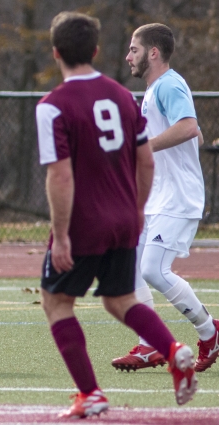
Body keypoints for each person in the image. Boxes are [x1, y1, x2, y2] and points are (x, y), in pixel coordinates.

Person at [36, 12, 197, 418]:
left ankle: (89, 393)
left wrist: (61, 234)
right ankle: (174, 349)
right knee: (120, 299)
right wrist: (137, 211)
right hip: (125, 214)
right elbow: (145, 162)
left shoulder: (52, 106)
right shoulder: (123, 97)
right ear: (95, 50)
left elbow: (59, 177)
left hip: (83, 220)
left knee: (56, 303)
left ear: (56, 52)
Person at [112, 23, 219, 373]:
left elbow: (188, 127)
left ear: (153, 53)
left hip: (177, 199)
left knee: (153, 270)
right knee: (131, 267)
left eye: (134, 49)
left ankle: (210, 331)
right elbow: (194, 134)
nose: (128, 56)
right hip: (158, 198)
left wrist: (142, 146)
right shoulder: (157, 88)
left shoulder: (169, 83)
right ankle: (149, 345)